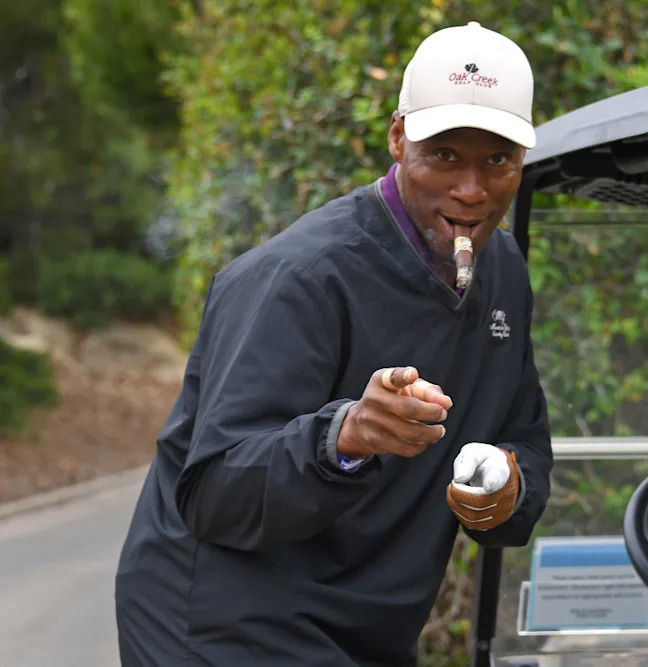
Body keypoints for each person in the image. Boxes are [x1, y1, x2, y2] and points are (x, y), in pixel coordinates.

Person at [114, 20, 553, 666]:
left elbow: (524, 444)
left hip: (365, 626)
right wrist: (343, 438)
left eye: (497, 161)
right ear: (398, 138)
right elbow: (212, 490)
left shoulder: (504, 274)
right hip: (220, 620)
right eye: (445, 156)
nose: (471, 190)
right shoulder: (297, 278)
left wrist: (505, 490)